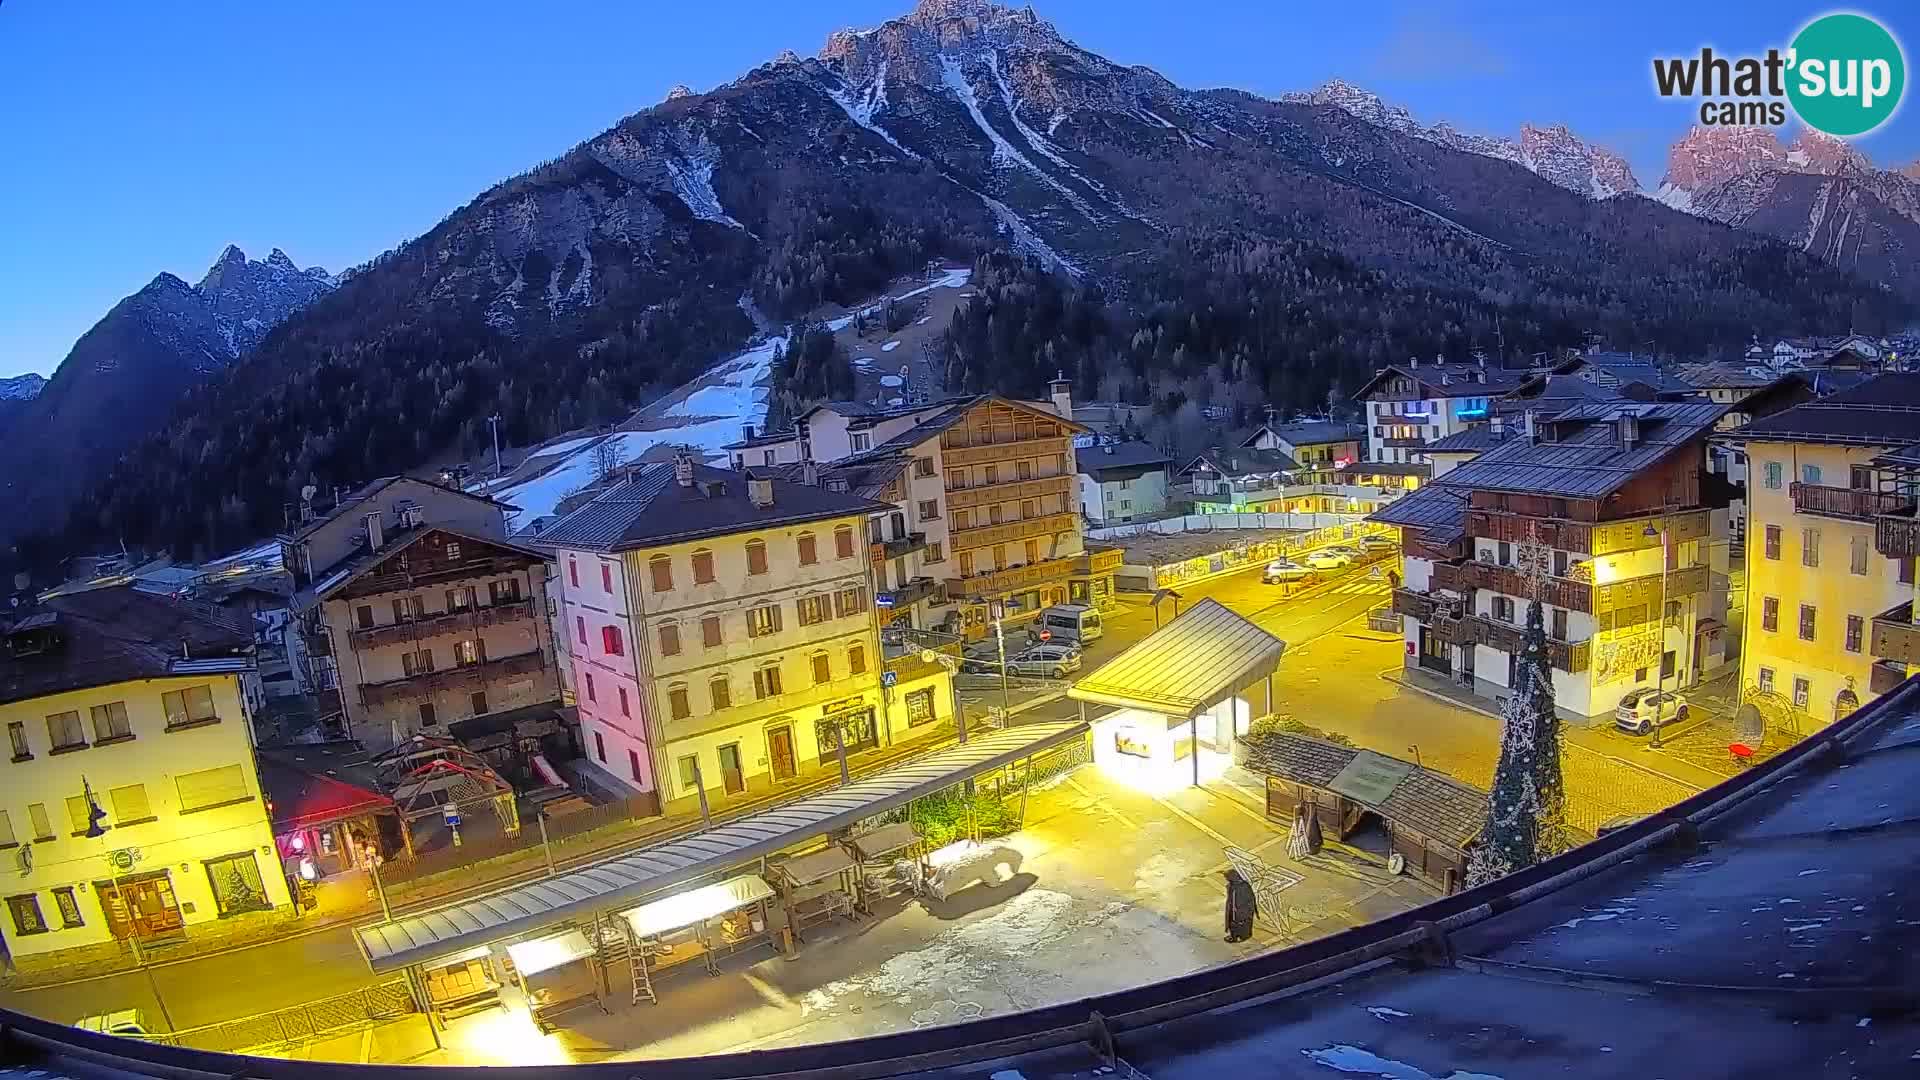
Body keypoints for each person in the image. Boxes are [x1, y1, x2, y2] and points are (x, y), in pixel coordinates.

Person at [1223, 868, 1256, 943]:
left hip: (1241, 910)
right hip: (1238, 909)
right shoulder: (1236, 885)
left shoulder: (1239, 887)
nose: (1226, 879)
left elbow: (1250, 898)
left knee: (1239, 923)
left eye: (1227, 877)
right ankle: (1236, 936)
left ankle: (1240, 937)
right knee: (1236, 923)